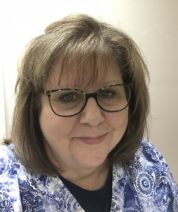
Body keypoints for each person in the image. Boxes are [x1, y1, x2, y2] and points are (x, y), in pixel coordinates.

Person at [0, 14, 177, 212]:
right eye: (68, 97)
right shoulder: (6, 186)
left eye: (109, 93)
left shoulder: (148, 160)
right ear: (34, 106)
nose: (93, 118)